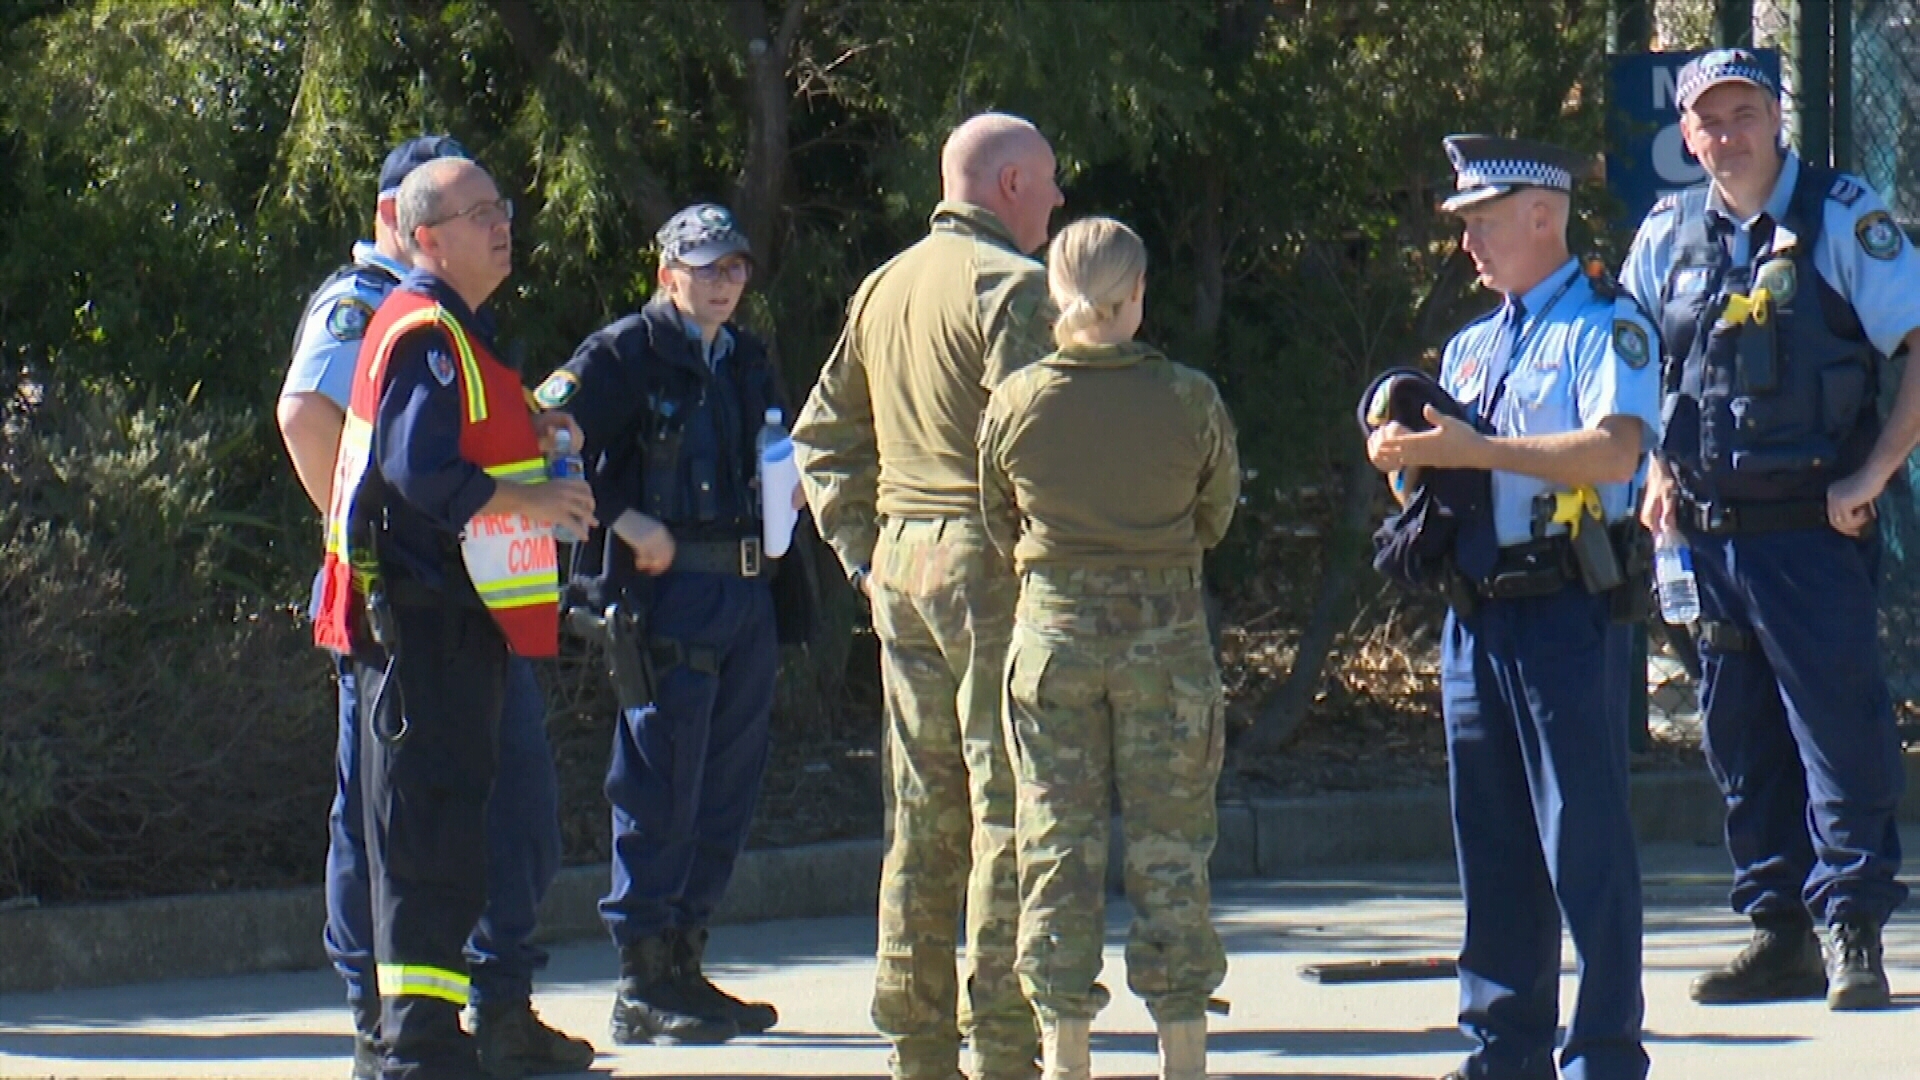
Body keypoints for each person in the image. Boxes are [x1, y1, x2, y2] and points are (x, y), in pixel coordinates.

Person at [277, 136, 594, 1080]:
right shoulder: (425, 329)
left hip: (461, 625)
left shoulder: (457, 328)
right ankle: (411, 1042)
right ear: (425, 237)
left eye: (502, 210)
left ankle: (430, 1032)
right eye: (479, 214)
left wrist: (533, 433)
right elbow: (418, 469)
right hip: (424, 625)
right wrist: (535, 500)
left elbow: (454, 448)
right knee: (420, 836)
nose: (503, 226)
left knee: (450, 830)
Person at [1621, 47, 1920, 1011]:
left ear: (1777, 117)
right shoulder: (1666, 234)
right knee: (1740, 743)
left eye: (1743, 115)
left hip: (1810, 535)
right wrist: (1653, 470)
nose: (1727, 136)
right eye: (1708, 122)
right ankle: (1778, 931)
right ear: (1687, 134)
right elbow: (1630, 369)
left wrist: (1875, 472)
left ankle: (1852, 930)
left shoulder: (1842, 217)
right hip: (1708, 539)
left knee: (1837, 735)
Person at [1366, 135, 1657, 1080]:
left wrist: (1475, 453)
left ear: (1542, 215)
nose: (1468, 244)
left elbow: (1614, 452)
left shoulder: (1605, 324)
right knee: (1492, 841)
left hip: (1565, 606)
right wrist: (1405, 461)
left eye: (1482, 222)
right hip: (1477, 612)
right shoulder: (1473, 343)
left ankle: (1604, 1052)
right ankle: (1502, 1047)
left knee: (1585, 841)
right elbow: (1450, 480)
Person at [791, 111, 1063, 1080]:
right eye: (1049, 181)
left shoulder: (886, 285)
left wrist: (864, 554)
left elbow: (820, 434)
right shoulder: (1016, 288)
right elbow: (1033, 446)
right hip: (988, 565)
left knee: (920, 808)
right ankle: (1002, 1039)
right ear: (1011, 186)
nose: (1059, 200)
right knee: (1008, 804)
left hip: (902, 562)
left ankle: (917, 1038)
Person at [534, 203, 803, 1046]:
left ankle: (685, 961)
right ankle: (642, 979)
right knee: (659, 784)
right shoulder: (624, 354)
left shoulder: (746, 357)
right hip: (667, 596)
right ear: (667, 274)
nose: (724, 283)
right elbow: (548, 438)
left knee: (727, 786)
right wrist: (620, 518)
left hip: (745, 592)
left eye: (735, 267)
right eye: (706, 267)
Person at [977, 217, 1238, 1080]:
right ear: (1137, 294)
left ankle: (1066, 1052)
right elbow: (1215, 514)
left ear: (1055, 295)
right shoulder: (1189, 397)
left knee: (1055, 842)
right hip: (1166, 642)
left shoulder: (1017, 400)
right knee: (1173, 847)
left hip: (1054, 640)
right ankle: (1183, 1049)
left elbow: (998, 520)